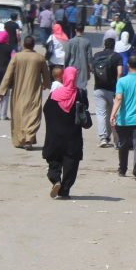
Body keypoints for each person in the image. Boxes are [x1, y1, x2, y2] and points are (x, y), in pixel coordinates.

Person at [0, 36, 52, 150]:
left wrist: (1, 91)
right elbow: (46, 76)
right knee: (33, 115)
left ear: (23, 45)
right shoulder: (40, 58)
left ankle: (21, 139)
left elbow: (8, 75)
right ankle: (29, 138)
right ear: (33, 45)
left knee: (19, 115)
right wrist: (47, 85)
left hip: (19, 92)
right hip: (34, 92)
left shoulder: (17, 57)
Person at [42, 66, 89, 200]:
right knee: (71, 163)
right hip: (72, 136)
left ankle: (55, 179)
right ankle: (65, 189)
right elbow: (85, 110)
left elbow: (46, 110)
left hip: (55, 134)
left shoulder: (55, 94)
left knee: (54, 159)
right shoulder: (80, 94)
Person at [91, 37, 124, 148]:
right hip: (113, 90)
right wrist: (119, 87)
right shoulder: (117, 57)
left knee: (101, 114)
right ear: (114, 45)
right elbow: (119, 73)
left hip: (98, 88)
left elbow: (92, 69)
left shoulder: (96, 55)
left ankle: (103, 138)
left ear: (104, 45)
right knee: (113, 114)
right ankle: (116, 140)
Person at [63, 23, 93, 92]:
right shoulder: (87, 42)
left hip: (71, 67)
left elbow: (67, 56)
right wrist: (90, 70)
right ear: (83, 31)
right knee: (82, 88)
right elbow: (89, 58)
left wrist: (65, 68)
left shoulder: (70, 42)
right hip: (83, 67)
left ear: (75, 30)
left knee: (72, 86)